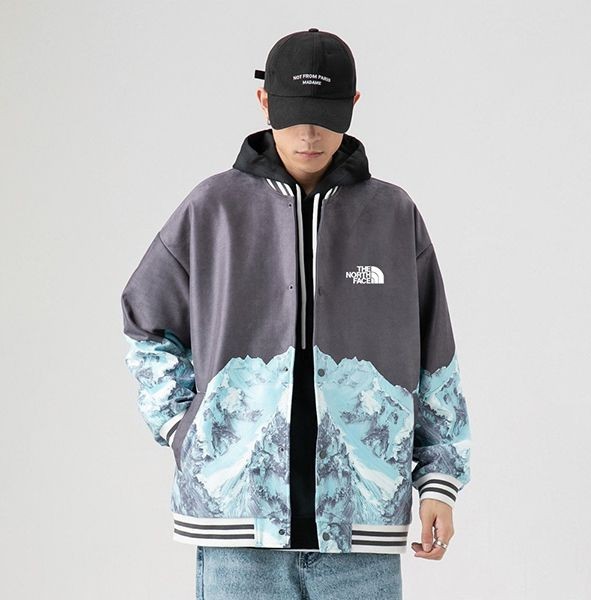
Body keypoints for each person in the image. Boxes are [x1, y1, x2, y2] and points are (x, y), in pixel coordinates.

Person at [120, 28, 472, 600]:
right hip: (237, 531)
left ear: (353, 104)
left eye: (326, 117)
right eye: (294, 116)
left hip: (361, 536)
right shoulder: (212, 209)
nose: (309, 135)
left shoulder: (393, 215)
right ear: (265, 102)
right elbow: (145, 321)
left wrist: (438, 482)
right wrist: (182, 426)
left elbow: (435, 357)